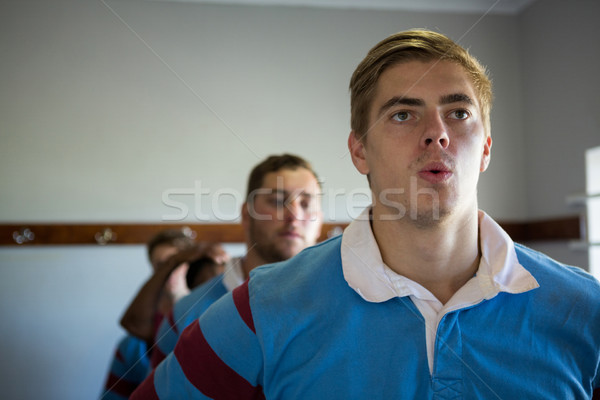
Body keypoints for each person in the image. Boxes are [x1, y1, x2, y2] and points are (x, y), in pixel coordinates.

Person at [132, 29, 600, 399]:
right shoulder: (259, 311)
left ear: (486, 149)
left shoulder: (586, 310)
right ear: (360, 151)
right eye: (403, 114)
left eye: (458, 112)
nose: (437, 133)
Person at [146, 153, 323, 368]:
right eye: (277, 201)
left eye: (305, 203)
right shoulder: (188, 314)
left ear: (320, 220)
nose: (293, 215)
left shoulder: (339, 306)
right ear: (247, 214)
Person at [100, 229, 213, 399]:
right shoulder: (132, 345)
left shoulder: (209, 314)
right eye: (162, 265)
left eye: (177, 262)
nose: (169, 270)